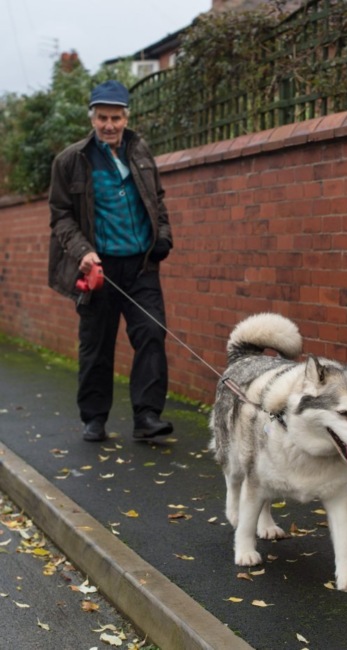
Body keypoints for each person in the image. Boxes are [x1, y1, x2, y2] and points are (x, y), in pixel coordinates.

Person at [48, 80, 173, 442]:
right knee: (97, 345)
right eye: (102, 117)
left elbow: (157, 200)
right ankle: (94, 418)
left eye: (115, 118)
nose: (109, 125)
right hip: (98, 269)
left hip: (140, 267)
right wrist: (82, 251)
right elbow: (61, 216)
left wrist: (163, 236)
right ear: (92, 118)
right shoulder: (71, 160)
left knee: (151, 333)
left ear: (126, 117)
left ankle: (147, 417)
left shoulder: (141, 151)